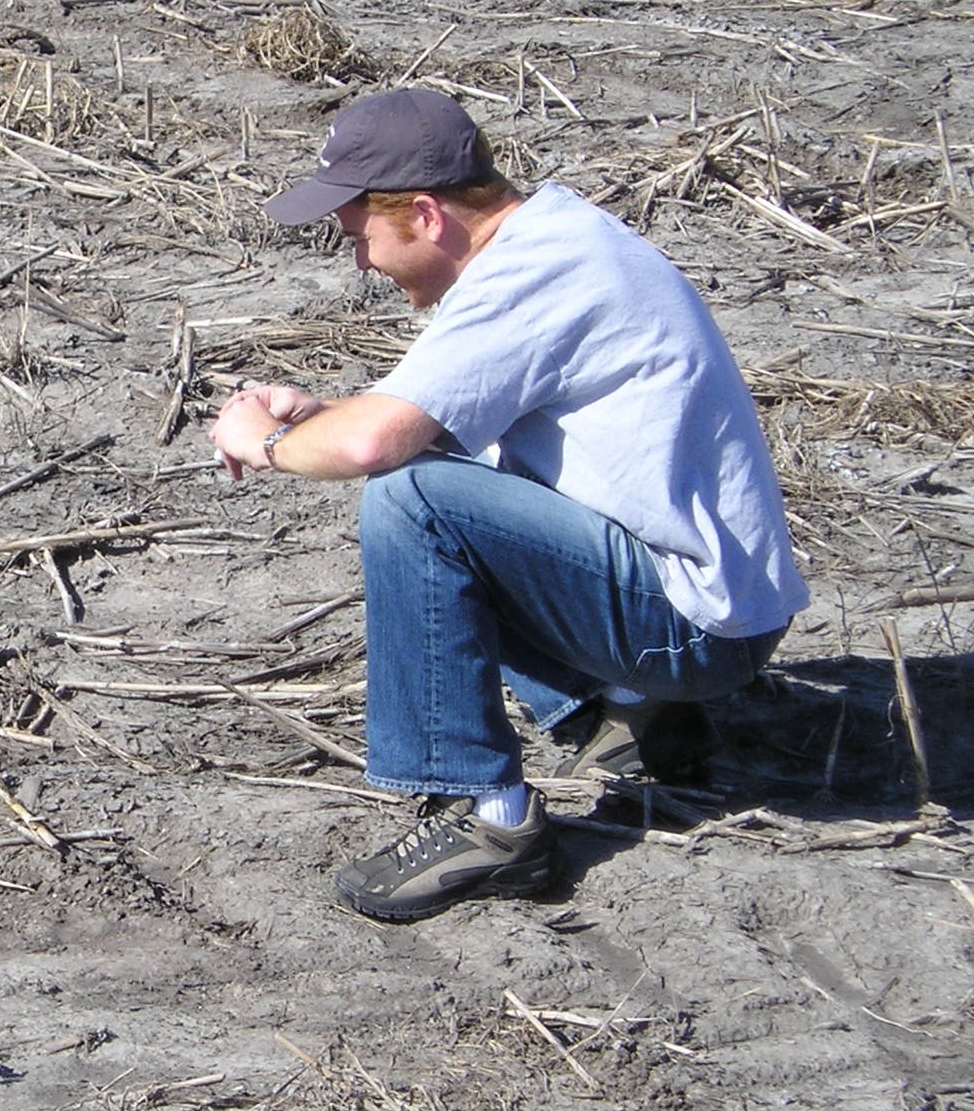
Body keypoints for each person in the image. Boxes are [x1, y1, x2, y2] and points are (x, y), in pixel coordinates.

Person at [210, 88, 808, 921]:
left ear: (424, 215)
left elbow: (379, 450)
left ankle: (484, 817)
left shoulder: (537, 272)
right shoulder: (553, 239)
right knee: (441, 485)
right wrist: (320, 417)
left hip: (695, 628)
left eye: (361, 238)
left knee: (413, 501)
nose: (361, 265)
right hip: (707, 604)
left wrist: (262, 443)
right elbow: (429, 425)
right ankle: (624, 711)